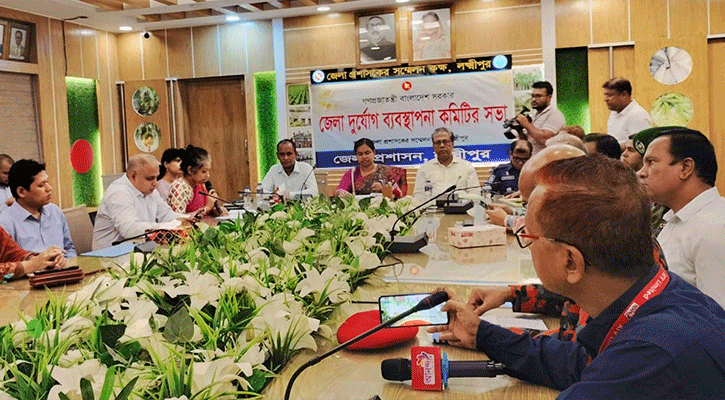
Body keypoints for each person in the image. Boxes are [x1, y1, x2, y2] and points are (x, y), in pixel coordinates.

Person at [430, 155, 725, 399]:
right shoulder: (668, 295)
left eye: (528, 236)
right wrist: (481, 334)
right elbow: (579, 363)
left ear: (571, 261)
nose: (527, 246)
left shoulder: (646, 360)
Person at [636, 126, 725, 308]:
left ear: (685, 168)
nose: (641, 172)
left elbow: (717, 314)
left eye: (651, 162)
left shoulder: (715, 227)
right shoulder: (676, 219)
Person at [92, 154, 189, 250]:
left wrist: (188, 219)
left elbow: (165, 214)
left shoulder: (151, 190)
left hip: (139, 248)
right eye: (150, 178)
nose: (155, 183)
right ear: (133, 176)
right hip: (110, 254)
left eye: (156, 177)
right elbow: (130, 230)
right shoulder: (118, 193)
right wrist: (168, 226)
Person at [0, 159, 76, 259]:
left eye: (47, 182)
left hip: (65, 268)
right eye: (41, 185)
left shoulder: (55, 211)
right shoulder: (6, 222)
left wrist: (66, 262)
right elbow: (8, 264)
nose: (49, 188)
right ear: (21, 192)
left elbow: (69, 248)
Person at [413, 128, 479, 199]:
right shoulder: (424, 169)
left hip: (461, 205)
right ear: (433, 146)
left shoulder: (466, 167)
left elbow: (475, 193)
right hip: (432, 206)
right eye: (438, 142)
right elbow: (418, 195)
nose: (442, 145)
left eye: (445, 142)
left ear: (452, 144)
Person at [335, 138, 407, 198]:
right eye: (360, 154)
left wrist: (383, 189)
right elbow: (340, 189)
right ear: (356, 156)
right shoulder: (352, 173)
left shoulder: (388, 171)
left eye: (367, 153)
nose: (364, 157)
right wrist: (341, 193)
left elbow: (399, 194)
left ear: (374, 152)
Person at [168, 145, 227, 216]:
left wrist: (214, 210)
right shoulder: (179, 188)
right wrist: (207, 208)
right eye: (204, 172)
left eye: (208, 171)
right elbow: (179, 219)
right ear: (190, 170)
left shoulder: (200, 185)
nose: (208, 175)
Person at [516, 81, 566, 156]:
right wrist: (519, 130)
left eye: (538, 96)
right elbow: (529, 142)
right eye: (532, 96)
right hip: (533, 159)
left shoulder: (555, 115)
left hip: (548, 160)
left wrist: (526, 124)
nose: (534, 99)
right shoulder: (534, 116)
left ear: (549, 98)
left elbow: (546, 139)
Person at [602, 77, 652, 145]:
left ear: (624, 95)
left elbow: (639, 144)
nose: (606, 99)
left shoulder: (638, 115)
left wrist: (614, 149)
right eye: (605, 95)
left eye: (610, 95)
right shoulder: (614, 113)